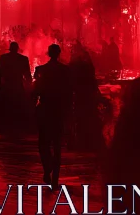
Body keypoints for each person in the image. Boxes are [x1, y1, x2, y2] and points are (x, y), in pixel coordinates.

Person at [32, 44, 72, 187]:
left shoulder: (41, 70)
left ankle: (47, 167)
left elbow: (35, 90)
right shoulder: (66, 71)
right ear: (59, 54)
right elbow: (69, 92)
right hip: (59, 110)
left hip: (45, 109)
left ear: (48, 53)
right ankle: (55, 177)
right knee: (57, 143)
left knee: (43, 142)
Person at [70, 41, 104, 151]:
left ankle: (82, 140)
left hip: (81, 94)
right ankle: (87, 140)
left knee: (80, 117)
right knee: (87, 115)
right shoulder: (87, 65)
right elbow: (92, 79)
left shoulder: (75, 65)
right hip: (86, 94)